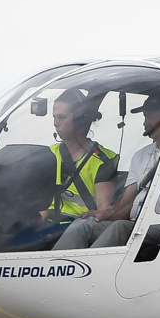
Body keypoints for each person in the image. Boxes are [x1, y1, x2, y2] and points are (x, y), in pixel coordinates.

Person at [54, 91, 160, 250]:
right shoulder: (141, 156)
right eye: (145, 116)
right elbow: (126, 203)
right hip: (136, 224)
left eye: (151, 116)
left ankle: (87, 272)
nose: (145, 122)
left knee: (120, 228)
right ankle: (58, 269)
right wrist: (106, 214)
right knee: (84, 224)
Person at [45, 89, 118, 228]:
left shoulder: (102, 160)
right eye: (54, 117)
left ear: (79, 120)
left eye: (61, 117)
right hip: (47, 226)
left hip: (77, 225)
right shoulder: (49, 153)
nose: (55, 123)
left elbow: (103, 208)